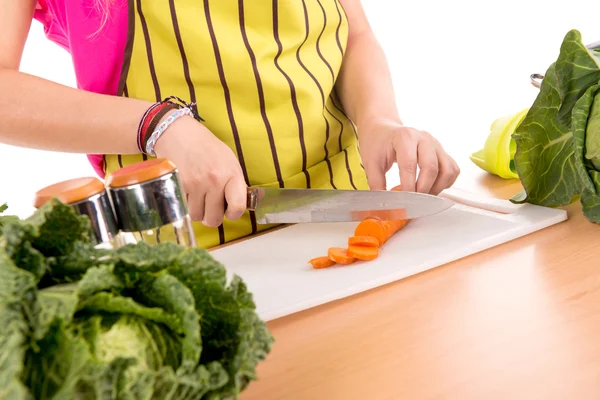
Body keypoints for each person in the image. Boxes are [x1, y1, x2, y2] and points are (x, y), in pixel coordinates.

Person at [1, 0, 459, 248]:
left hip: (354, 215)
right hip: (190, 249)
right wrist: (158, 123)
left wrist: (379, 120)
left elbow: (352, 31)